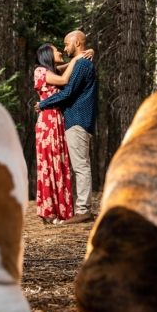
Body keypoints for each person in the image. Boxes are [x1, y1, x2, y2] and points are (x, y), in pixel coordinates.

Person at [35, 31, 98, 225]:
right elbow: (61, 73)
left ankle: (83, 210)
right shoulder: (76, 64)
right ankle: (70, 208)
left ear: (76, 43)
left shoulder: (82, 64)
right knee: (74, 165)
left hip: (77, 120)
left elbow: (68, 90)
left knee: (80, 166)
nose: (64, 48)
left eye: (65, 44)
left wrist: (43, 104)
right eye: (59, 47)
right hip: (68, 122)